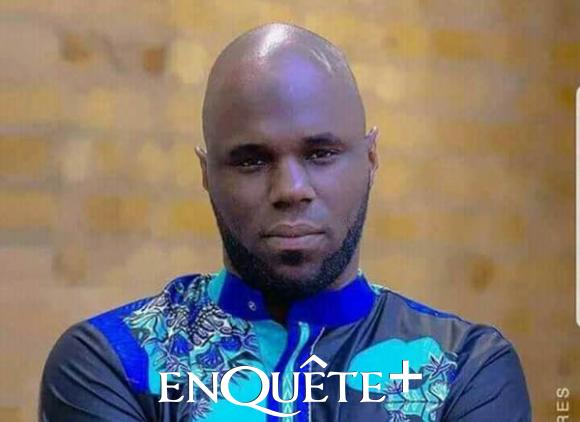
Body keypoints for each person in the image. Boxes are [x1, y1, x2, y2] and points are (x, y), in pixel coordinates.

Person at [40, 23, 531, 421]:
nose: (291, 189)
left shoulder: (465, 369)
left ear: (371, 158)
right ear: (207, 174)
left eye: (321, 153)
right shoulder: (115, 361)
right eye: (252, 161)